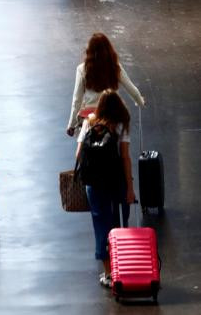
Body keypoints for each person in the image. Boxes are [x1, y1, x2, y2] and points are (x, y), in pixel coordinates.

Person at [75, 90, 135, 288]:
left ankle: (109, 274)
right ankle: (122, 267)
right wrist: (130, 187)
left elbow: (78, 155)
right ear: (119, 106)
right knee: (119, 224)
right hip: (116, 181)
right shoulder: (120, 124)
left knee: (101, 225)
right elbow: (125, 157)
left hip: (95, 183)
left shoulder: (89, 122)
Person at [66, 32, 146, 137]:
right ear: (108, 49)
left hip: (89, 117)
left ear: (89, 50)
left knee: (86, 146)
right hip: (110, 115)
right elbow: (132, 89)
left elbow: (77, 100)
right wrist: (140, 101)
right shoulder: (115, 67)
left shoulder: (82, 69)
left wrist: (71, 125)